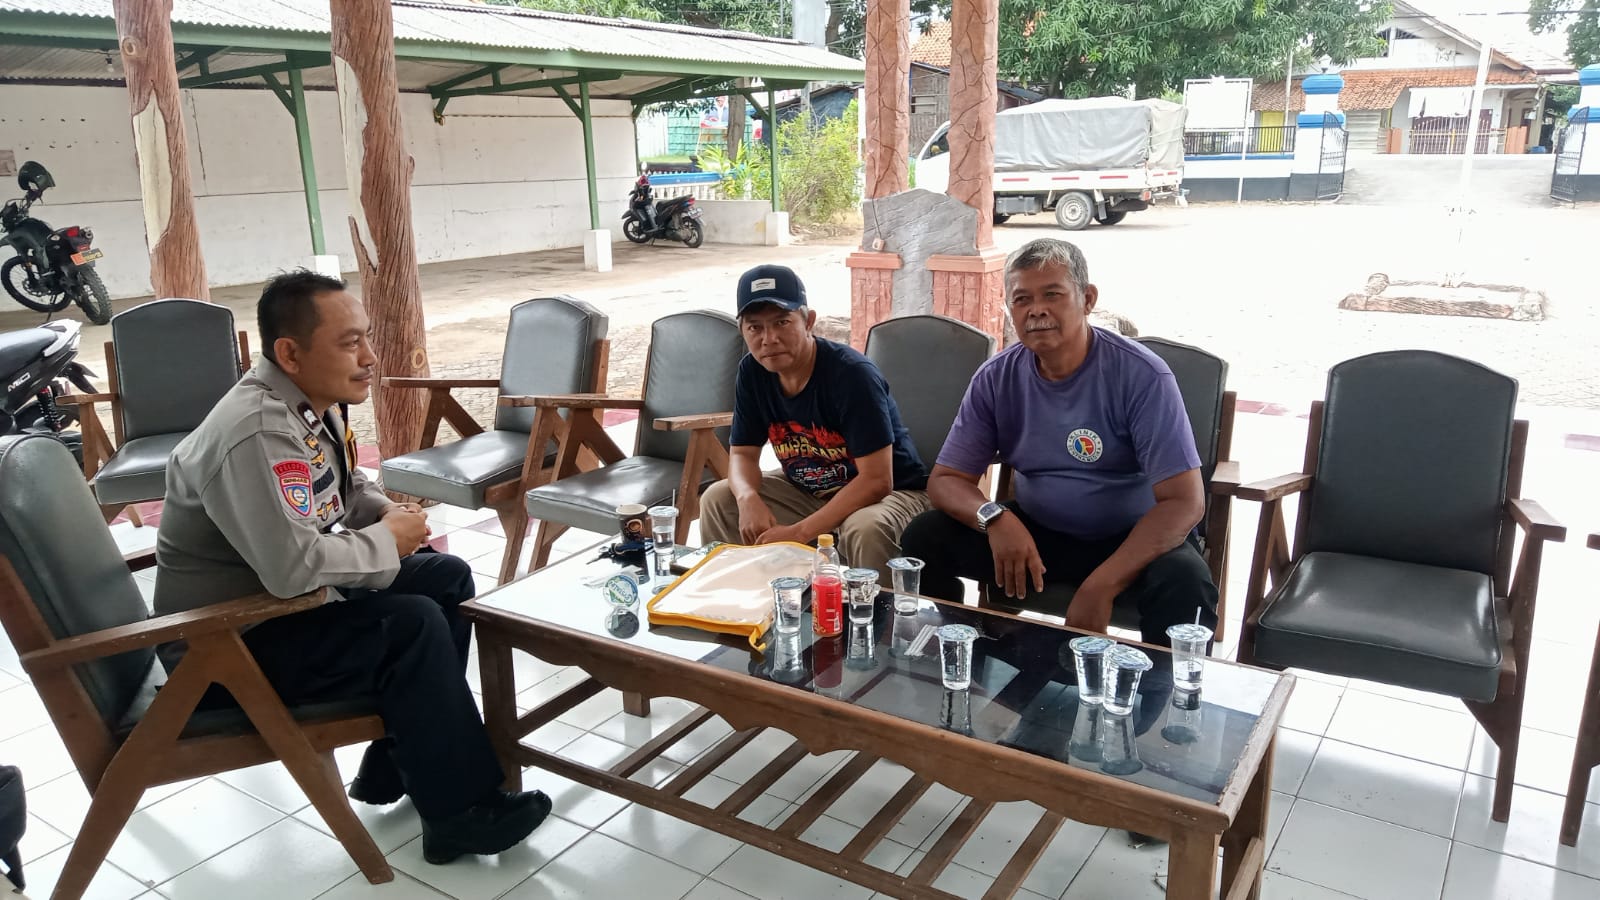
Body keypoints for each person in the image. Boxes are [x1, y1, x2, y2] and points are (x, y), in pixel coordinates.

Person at [153, 270, 550, 865]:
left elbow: (344, 485)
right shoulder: (255, 431)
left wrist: (389, 514)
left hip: (282, 614)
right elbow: (292, 570)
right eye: (349, 343)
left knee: (444, 577)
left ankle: (400, 759)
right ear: (291, 353)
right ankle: (460, 812)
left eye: (366, 338)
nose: (369, 358)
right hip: (224, 651)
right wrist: (388, 541)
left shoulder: (308, 405)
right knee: (409, 625)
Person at [899, 238, 1217, 647]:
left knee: (1186, 583)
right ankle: (959, 654)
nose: (1036, 310)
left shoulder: (1141, 376)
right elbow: (946, 480)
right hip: (1039, 534)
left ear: (1087, 299)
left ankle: (1161, 686)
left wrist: (1101, 585)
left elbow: (1184, 502)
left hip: (1131, 538)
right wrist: (995, 518)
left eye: (1052, 294)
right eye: (1022, 299)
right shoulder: (996, 378)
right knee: (925, 537)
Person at [698, 264, 930, 578]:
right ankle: (743, 597)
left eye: (782, 322)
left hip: (893, 494)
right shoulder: (752, 372)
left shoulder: (852, 374)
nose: (769, 339)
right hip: (809, 491)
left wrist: (799, 532)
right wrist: (747, 497)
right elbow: (742, 454)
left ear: (808, 321)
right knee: (719, 499)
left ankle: (876, 609)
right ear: (742, 331)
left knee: (865, 528)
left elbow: (877, 480)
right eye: (755, 327)